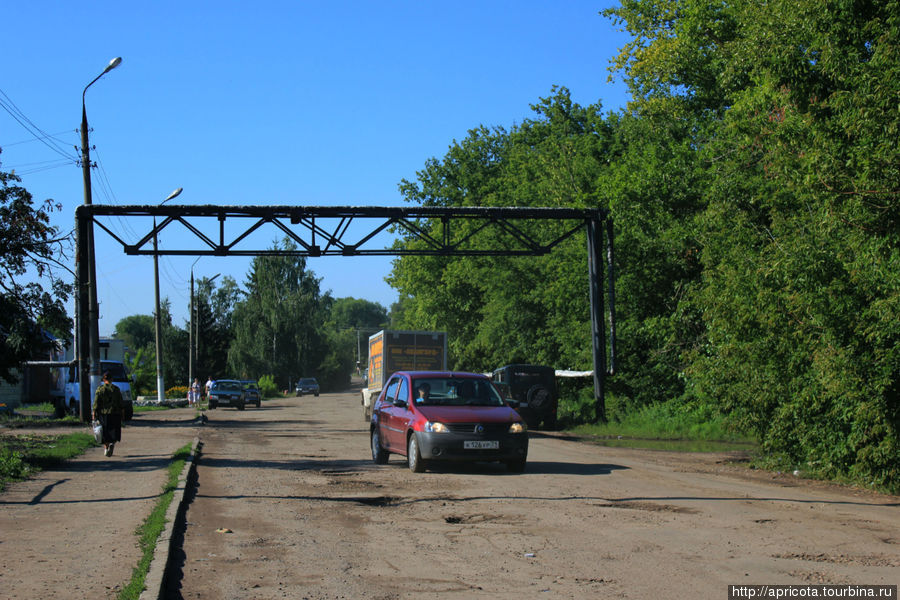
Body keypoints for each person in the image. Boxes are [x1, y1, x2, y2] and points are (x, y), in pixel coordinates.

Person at [93, 370, 125, 457]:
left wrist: (94, 414)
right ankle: (112, 444)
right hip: (115, 413)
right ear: (112, 379)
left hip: (103, 414)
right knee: (114, 432)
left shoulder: (100, 390)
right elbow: (121, 403)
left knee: (105, 432)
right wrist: (122, 415)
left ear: (103, 379)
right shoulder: (116, 389)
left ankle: (106, 448)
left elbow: (96, 403)